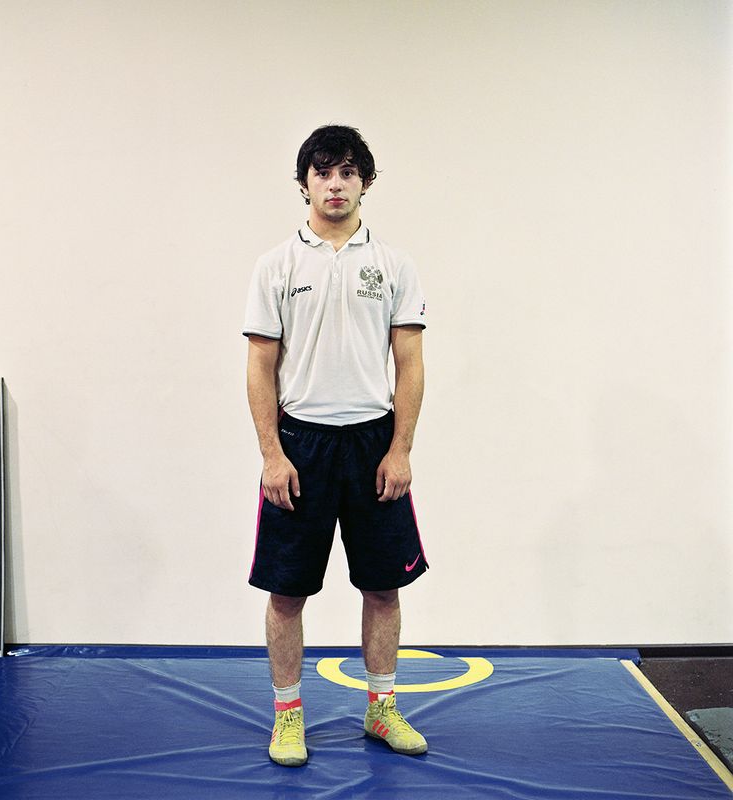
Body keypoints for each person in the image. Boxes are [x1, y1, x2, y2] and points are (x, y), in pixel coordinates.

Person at [243, 124, 428, 767]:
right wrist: (272, 453)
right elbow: (259, 366)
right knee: (287, 590)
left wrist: (400, 449)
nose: (335, 183)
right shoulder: (276, 265)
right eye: (323, 172)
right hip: (301, 445)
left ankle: (381, 708)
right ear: (304, 184)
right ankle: (288, 716)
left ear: (365, 183)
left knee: (382, 587)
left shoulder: (394, 265)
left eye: (348, 171)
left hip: (374, 442)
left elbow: (410, 362)